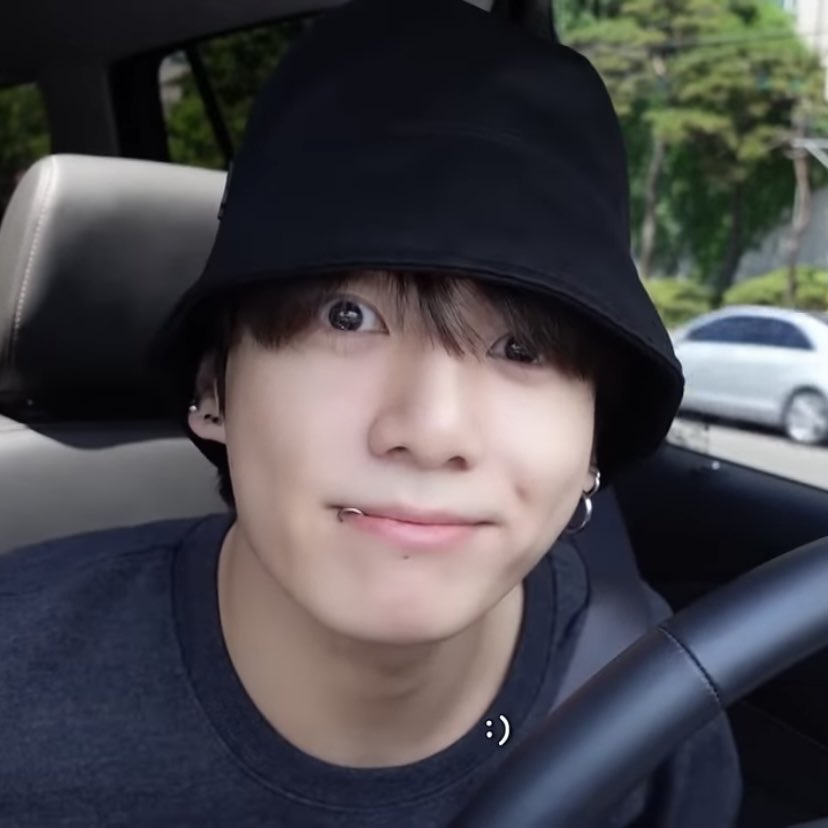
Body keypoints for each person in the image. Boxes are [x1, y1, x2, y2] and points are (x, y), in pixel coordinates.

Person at [0, 0, 741, 824]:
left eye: (522, 348)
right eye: (346, 317)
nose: (430, 431)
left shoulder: (651, 701)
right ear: (213, 387)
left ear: (594, 439)